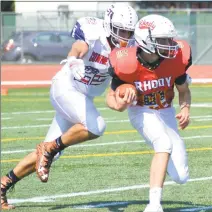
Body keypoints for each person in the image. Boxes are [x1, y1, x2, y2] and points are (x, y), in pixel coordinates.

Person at [1, 3, 138, 210]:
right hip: (65, 88)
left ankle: (3, 185)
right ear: (109, 25)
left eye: (129, 31)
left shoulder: (127, 52)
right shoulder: (94, 32)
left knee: (50, 151)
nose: (125, 36)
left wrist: (121, 103)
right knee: (96, 126)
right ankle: (48, 149)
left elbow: (111, 98)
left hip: (82, 98)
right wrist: (74, 60)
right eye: (121, 30)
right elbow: (79, 47)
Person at [106, 14, 192, 212]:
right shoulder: (126, 63)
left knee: (181, 177)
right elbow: (109, 98)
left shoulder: (175, 60)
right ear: (146, 40)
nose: (170, 44)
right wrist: (119, 104)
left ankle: (163, 162)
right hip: (141, 110)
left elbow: (184, 91)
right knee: (163, 143)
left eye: (169, 39)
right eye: (163, 40)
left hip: (166, 111)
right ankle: (154, 205)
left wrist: (185, 108)